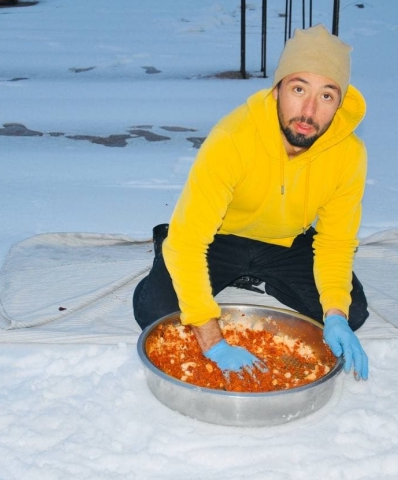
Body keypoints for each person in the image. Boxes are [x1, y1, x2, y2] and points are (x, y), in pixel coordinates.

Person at [133, 24, 370, 380]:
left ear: (340, 103)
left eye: (326, 96)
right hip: (220, 237)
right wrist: (213, 342)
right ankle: (168, 246)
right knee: (159, 313)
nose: (308, 111)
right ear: (276, 90)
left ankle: (259, 277)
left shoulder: (349, 155)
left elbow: (335, 242)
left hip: (286, 241)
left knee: (351, 313)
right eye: (299, 88)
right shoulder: (233, 138)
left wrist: (334, 313)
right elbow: (190, 242)